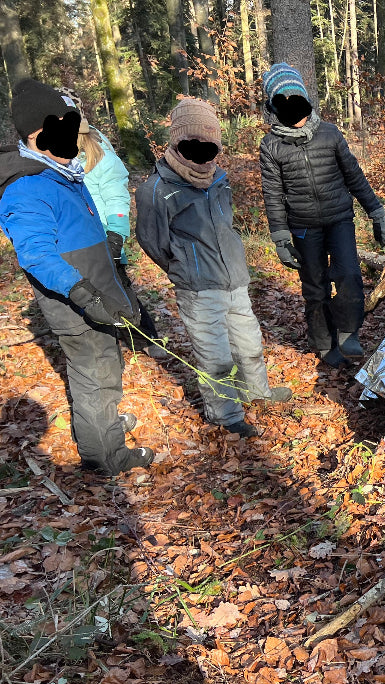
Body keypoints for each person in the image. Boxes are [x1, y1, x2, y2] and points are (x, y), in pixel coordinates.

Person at [0, 79, 154, 475]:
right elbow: (36, 255)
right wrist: (85, 294)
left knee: (107, 368)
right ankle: (106, 457)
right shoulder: (27, 188)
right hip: (76, 306)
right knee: (96, 376)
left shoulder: (60, 173)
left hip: (98, 294)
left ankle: (103, 431)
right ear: (38, 134)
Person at [136, 97, 292, 438]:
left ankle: (257, 392)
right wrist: (183, 266)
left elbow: (227, 225)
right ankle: (225, 415)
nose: (201, 152)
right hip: (199, 289)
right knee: (216, 358)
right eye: (192, 144)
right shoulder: (156, 190)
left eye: (209, 145)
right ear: (177, 142)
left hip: (235, 281)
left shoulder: (219, 179)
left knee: (249, 345)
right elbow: (152, 241)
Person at [258, 63, 385, 366]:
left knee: (348, 274)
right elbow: (273, 195)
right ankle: (322, 341)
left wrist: (376, 212)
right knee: (315, 285)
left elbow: (354, 176)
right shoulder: (271, 146)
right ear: (274, 107)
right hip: (303, 227)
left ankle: (348, 330)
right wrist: (280, 237)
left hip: (339, 219)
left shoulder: (330, 134)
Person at [59, 88, 164, 356]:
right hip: (73, 240)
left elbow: (116, 194)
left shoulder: (96, 150)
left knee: (119, 289)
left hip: (104, 235)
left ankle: (146, 338)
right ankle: (101, 344)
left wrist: (116, 235)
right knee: (83, 293)